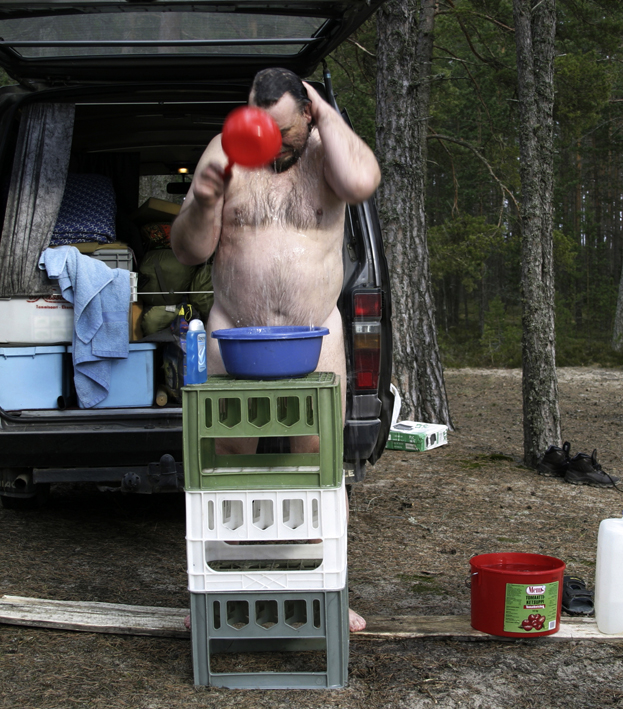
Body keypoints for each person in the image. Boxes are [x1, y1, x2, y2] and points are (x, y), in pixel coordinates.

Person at [171, 68, 381, 632]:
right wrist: (204, 202)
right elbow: (188, 251)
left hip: (317, 336)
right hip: (232, 335)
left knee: (319, 464)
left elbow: (362, 182)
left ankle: (327, 589)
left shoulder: (327, 151)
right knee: (223, 462)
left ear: (309, 113)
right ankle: (216, 591)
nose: (271, 143)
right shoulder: (226, 151)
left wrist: (326, 113)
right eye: (260, 128)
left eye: (283, 131)